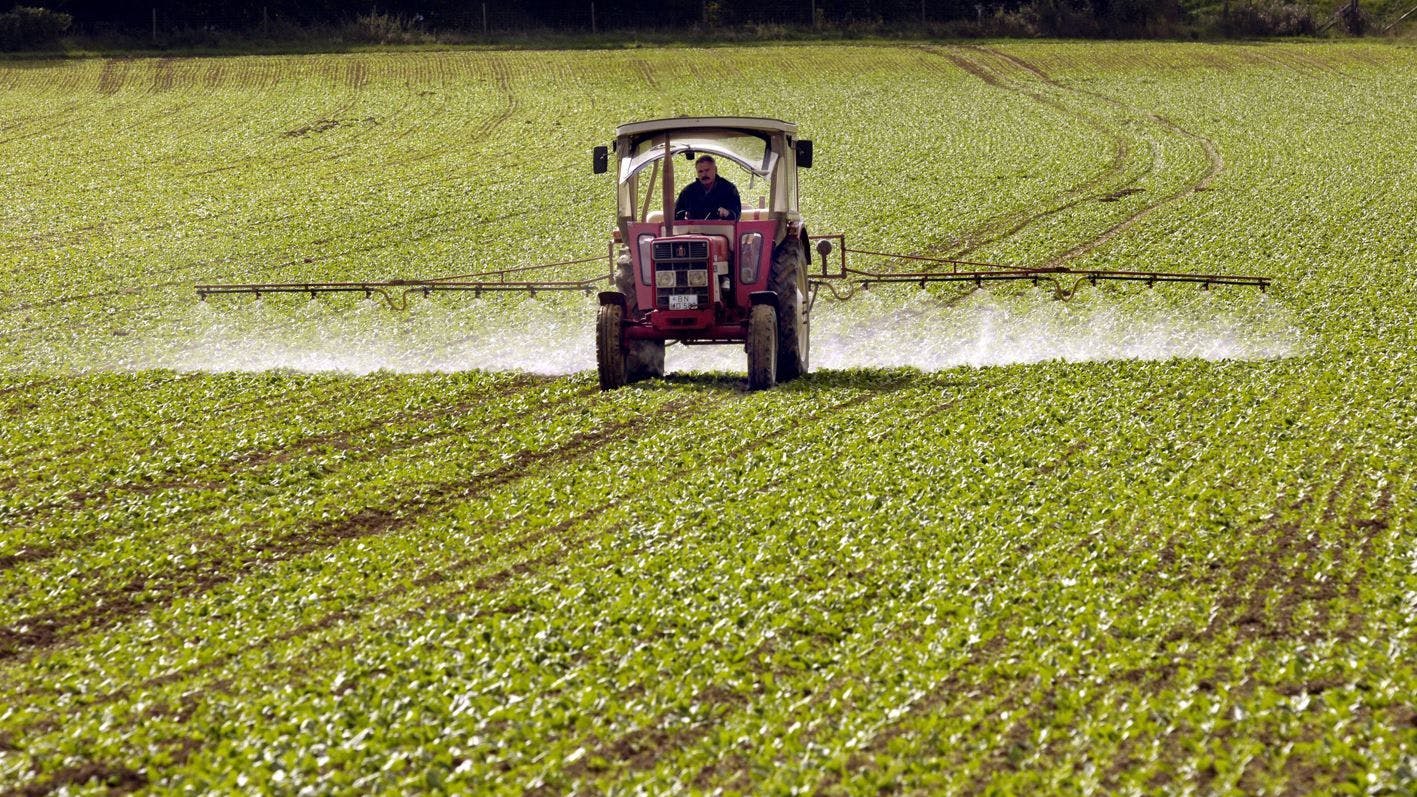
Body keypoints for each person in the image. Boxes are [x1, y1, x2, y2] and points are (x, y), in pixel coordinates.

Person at [674, 155, 741, 221]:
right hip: (693, 230)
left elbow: (736, 214)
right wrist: (683, 214)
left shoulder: (728, 189)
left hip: (721, 230)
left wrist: (727, 213)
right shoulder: (688, 192)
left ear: (715, 170)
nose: (704, 175)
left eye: (707, 170)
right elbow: (676, 213)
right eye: (700, 171)